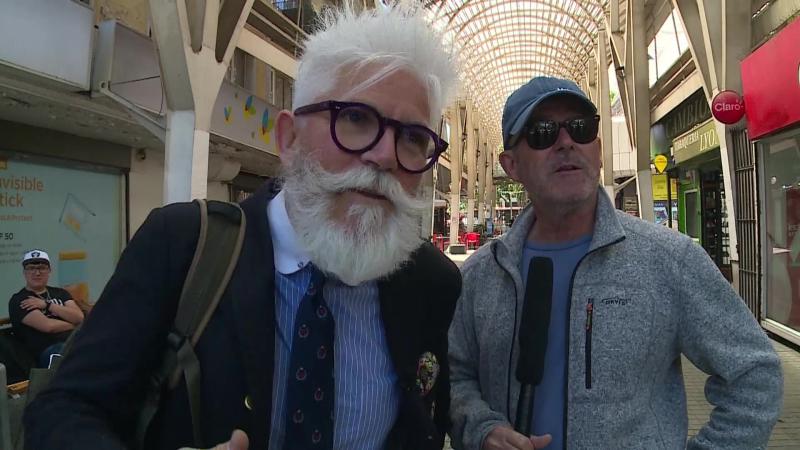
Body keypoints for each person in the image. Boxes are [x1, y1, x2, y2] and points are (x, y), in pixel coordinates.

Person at [25, 4, 460, 450]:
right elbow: (63, 410)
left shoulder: (432, 284)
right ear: (289, 139)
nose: (385, 155)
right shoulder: (183, 246)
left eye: (413, 137)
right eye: (356, 119)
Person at [448, 76, 783, 450]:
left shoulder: (669, 260)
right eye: (542, 133)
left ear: (599, 149)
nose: (566, 142)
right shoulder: (480, 277)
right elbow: (454, 375)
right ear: (511, 165)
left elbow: (754, 373)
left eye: (581, 128)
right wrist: (481, 428)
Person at [8, 249, 84, 368]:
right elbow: (48, 326)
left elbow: (79, 317)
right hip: (48, 350)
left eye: (42, 268)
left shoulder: (60, 293)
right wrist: (75, 324)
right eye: (31, 268)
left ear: (49, 271)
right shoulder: (19, 300)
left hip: (74, 341)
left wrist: (47, 305)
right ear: (24, 272)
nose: (37, 273)